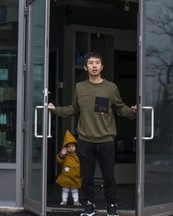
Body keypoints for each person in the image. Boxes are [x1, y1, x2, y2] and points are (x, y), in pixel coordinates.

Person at [48, 51, 137, 216]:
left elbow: (120, 108)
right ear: (85, 67)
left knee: (109, 176)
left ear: (102, 66)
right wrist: (55, 110)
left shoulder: (111, 88)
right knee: (87, 177)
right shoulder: (80, 87)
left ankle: (111, 205)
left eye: (97, 62)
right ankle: (89, 204)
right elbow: (74, 109)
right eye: (91, 63)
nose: (94, 65)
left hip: (106, 140)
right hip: (85, 140)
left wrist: (132, 112)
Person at [55, 130, 82, 207]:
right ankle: (64, 201)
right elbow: (59, 161)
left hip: (75, 176)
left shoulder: (78, 155)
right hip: (66, 176)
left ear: (75, 147)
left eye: (73, 146)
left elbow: (82, 164)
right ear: (66, 148)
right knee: (65, 189)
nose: (71, 148)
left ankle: (76, 201)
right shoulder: (64, 155)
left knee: (75, 190)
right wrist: (62, 155)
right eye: (69, 147)